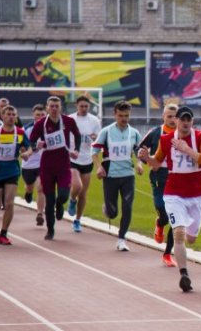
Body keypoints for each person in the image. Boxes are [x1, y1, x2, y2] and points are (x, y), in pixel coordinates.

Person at [139, 105, 201, 292]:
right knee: (178, 233)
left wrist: (187, 149)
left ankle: (192, 233)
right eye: (182, 119)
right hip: (174, 194)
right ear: (177, 121)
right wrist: (147, 158)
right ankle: (184, 274)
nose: (185, 123)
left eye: (189, 119)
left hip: (196, 193)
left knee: (192, 237)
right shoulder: (165, 140)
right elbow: (156, 165)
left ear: (192, 122)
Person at [92, 101, 143, 251]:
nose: (123, 119)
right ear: (114, 114)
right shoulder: (106, 132)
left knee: (127, 207)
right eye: (120, 115)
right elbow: (94, 153)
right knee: (113, 213)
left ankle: (121, 239)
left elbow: (139, 152)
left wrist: (139, 164)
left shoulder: (134, 133)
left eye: (126, 116)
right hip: (110, 176)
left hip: (128, 175)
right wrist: (99, 167)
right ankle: (107, 208)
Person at [29, 96, 81, 240]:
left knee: (63, 194)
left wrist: (76, 150)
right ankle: (50, 230)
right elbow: (32, 139)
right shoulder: (41, 124)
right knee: (49, 200)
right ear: (47, 107)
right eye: (51, 106)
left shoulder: (68, 121)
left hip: (64, 163)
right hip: (47, 164)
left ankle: (60, 204)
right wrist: (36, 146)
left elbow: (77, 135)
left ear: (61, 108)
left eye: (56, 106)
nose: (54, 109)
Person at [0, 105, 31, 245]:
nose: (11, 117)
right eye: (8, 114)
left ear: (16, 117)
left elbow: (28, 148)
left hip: (12, 170)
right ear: (2, 116)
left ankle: (3, 233)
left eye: (13, 114)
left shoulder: (20, 133)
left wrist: (26, 154)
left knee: (9, 204)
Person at [138, 103, 178, 266]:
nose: (172, 120)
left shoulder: (183, 134)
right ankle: (160, 222)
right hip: (158, 179)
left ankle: (167, 254)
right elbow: (140, 149)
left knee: (176, 220)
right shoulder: (155, 133)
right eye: (169, 116)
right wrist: (142, 162)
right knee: (165, 215)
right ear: (163, 117)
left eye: (175, 117)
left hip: (177, 180)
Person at [68, 96, 102, 233]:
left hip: (87, 159)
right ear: (77, 106)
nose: (84, 109)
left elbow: (99, 140)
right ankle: (71, 199)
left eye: (86, 106)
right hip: (73, 157)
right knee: (77, 186)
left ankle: (77, 220)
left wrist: (95, 138)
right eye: (81, 106)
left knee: (83, 193)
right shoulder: (70, 119)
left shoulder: (94, 121)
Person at [21, 104, 47, 226]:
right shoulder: (26, 129)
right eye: (38, 115)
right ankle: (28, 192)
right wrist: (31, 150)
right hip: (28, 165)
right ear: (33, 115)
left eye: (42, 115)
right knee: (30, 187)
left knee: (41, 188)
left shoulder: (50, 128)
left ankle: (40, 214)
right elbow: (23, 148)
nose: (40, 117)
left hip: (43, 164)